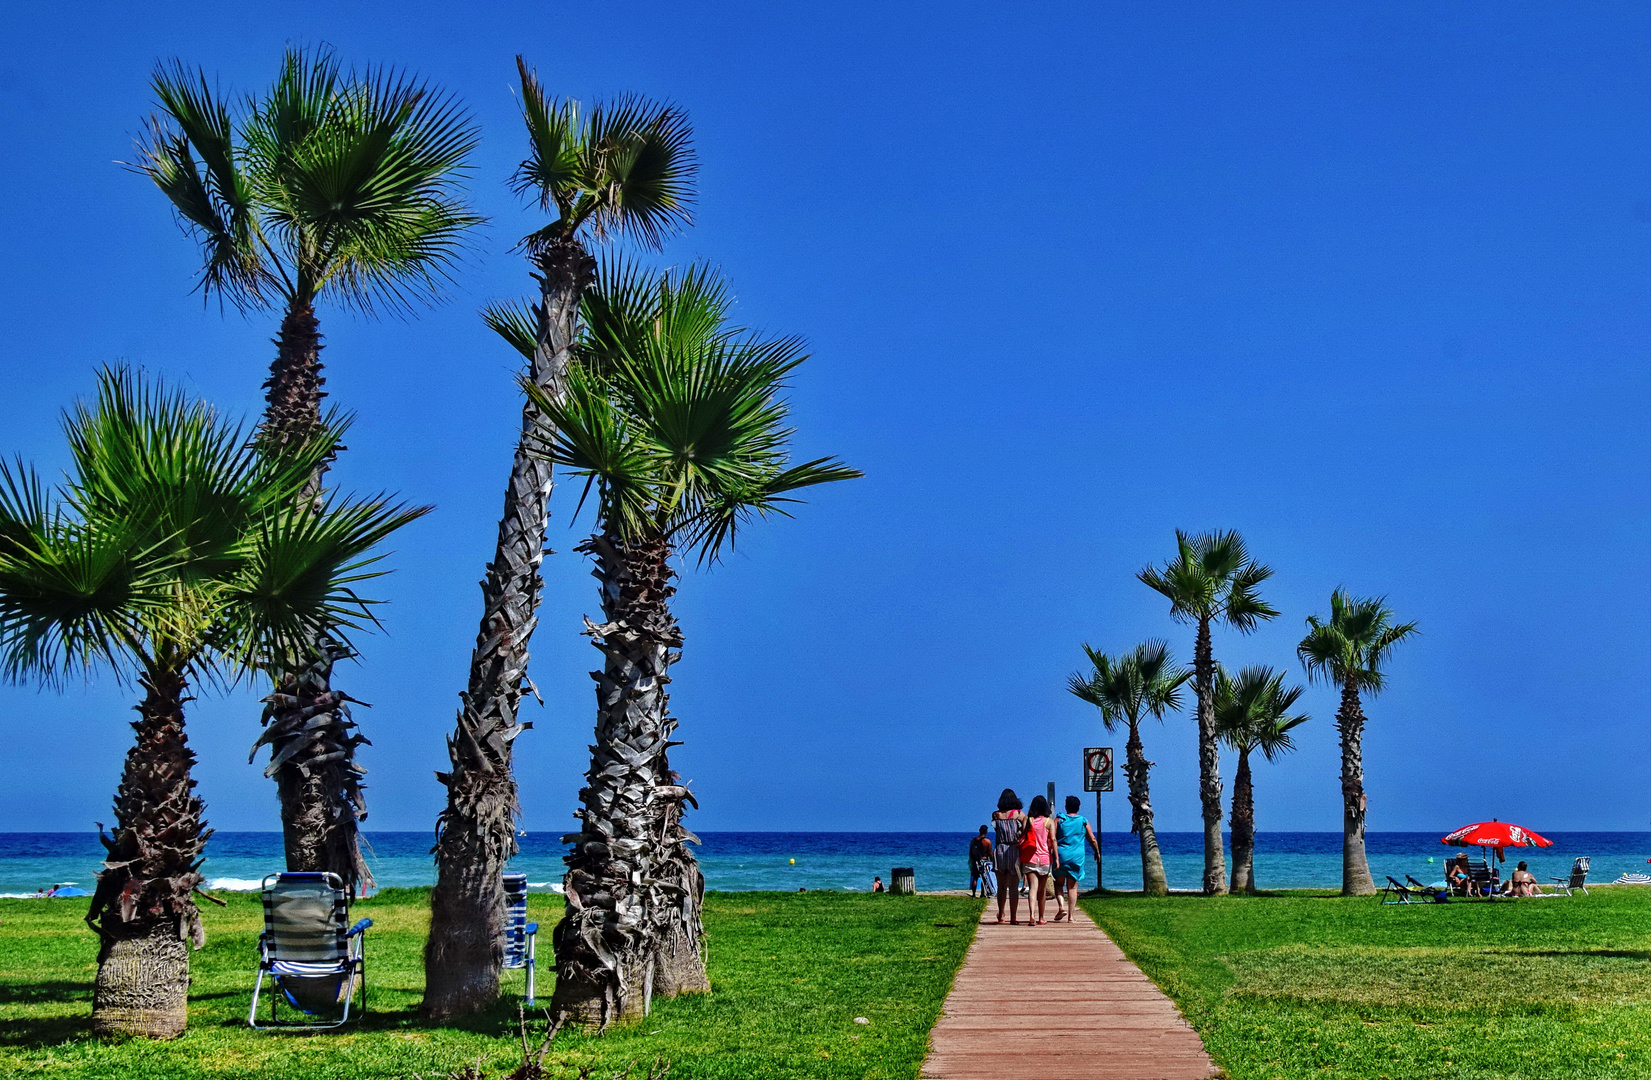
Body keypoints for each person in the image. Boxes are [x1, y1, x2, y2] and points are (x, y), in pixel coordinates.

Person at [1051, 795, 1102, 920]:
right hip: (1077, 857)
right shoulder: (1083, 821)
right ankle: (1071, 916)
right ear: (1078, 807)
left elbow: (1051, 837)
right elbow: (1092, 839)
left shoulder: (1059, 820)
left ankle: (1061, 906)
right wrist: (1097, 852)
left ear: (1066, 806)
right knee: (1073, 887)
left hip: (1061, 855)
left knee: (1058, 884)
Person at [1019, 795, 1058, 925]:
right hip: (1045, 859)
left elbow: (1023, 837)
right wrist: (1057, 858)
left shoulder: (1028, 820)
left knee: (1032, 888)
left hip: (1030, 858)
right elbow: (1052, 840)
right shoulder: (1049, 822)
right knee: (1042, 891)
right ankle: (1041, 918)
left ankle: (1032, 915)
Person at [992, 788, 1027, 923]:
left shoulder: (996, 815)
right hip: (1014, 849)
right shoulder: (1019, 815)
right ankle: (1013, 917)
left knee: (1001, 886)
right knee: (1013, 887)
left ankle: (1001, 914)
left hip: (1000, 849)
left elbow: (996, 829)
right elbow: (1024, 831)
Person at [969, 826, 996, 898]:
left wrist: (971, 860)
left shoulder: (973, 840)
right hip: (984, 861)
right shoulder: (987, 841)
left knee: (975, 877)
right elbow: (990, 853)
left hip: (975, 861)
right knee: (984, 878)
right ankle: (982, 893)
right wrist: (993, 862)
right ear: (986, 831)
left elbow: (971, 852)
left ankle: (974, 894)